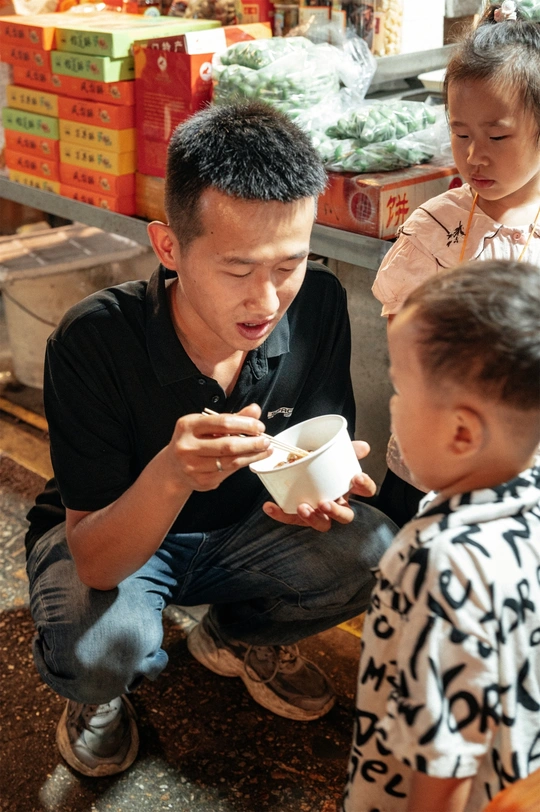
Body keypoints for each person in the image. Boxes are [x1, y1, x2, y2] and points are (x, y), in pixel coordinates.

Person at [24, 100, 397, 778]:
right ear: (168, 247)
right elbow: (97, 561)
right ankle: (100, 696)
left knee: (376, 549)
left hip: (245, 528)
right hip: (110, 535)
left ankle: (236, 635)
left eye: (289, 263)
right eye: (237, 269)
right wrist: (171, 473)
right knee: (98, 650)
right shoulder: (94, 339)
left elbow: (308, 450)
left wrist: (315, 497)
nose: (267, 300)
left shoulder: (317, 302)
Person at [343, 258, 540, 812]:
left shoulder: (441, 560)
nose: (393, 405)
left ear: (461, 432)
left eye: (400, 391)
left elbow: (443, 757)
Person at [371, 0, 540, 528]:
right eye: (460, 133)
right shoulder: (433, 227)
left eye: (497, 136)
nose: (474, 155)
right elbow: (404, 347)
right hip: (431, 469)